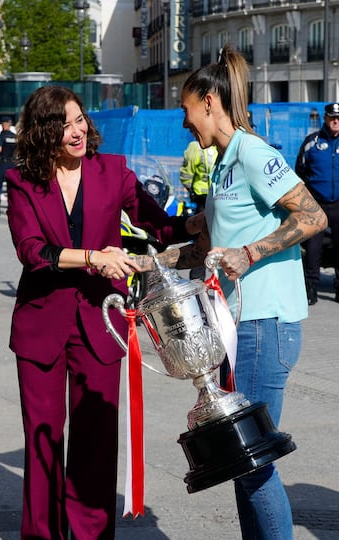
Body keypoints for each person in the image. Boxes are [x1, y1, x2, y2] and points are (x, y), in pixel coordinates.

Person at [137, 44, 327, 540]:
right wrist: (147, 263)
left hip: (265, 325)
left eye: (184, 109)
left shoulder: (253, 153)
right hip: (236, 325)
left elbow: (312, 216)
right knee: (239, 463)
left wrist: (253, 253)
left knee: (252, 459)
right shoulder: (221, 164)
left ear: (207, 101)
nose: (183, 123)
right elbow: (208, 248)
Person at [5, 85, 203, 540]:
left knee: (96, 440)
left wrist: (200, 222)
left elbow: (159, 224)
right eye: (62, 124)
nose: (75, 132)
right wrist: (95, 257)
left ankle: (91, 534)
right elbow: (32, 251)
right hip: (41, 326)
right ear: (41, 132)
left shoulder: (113, 170)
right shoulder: (22, 181)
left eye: (79, 120)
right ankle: (42, 534)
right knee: (43, 439)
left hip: (101, 322)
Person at [295, 102, 339, 305]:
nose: (336, 122)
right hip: (317, 204)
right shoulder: (312, 142)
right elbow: (300, 171)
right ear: (325, 118)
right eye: (332, 118)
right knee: (313, 248)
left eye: (338, 118)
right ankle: (311, 286)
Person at [180, 140, 218, 280]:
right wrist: (190, 188)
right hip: (205, 196)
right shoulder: (197, 147)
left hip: (210, 196)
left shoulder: (210, 148)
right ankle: (198, 272)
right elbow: (187, 171)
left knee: (208, 233)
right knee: (202, 233)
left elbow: (187, 171)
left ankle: (203, 270)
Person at [0, 116, 16, 216]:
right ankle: (12, 207)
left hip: (2, 164)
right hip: (13, 164)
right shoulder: (15, 137)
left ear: (3, 124)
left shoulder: (2, 136)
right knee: (12, 187)